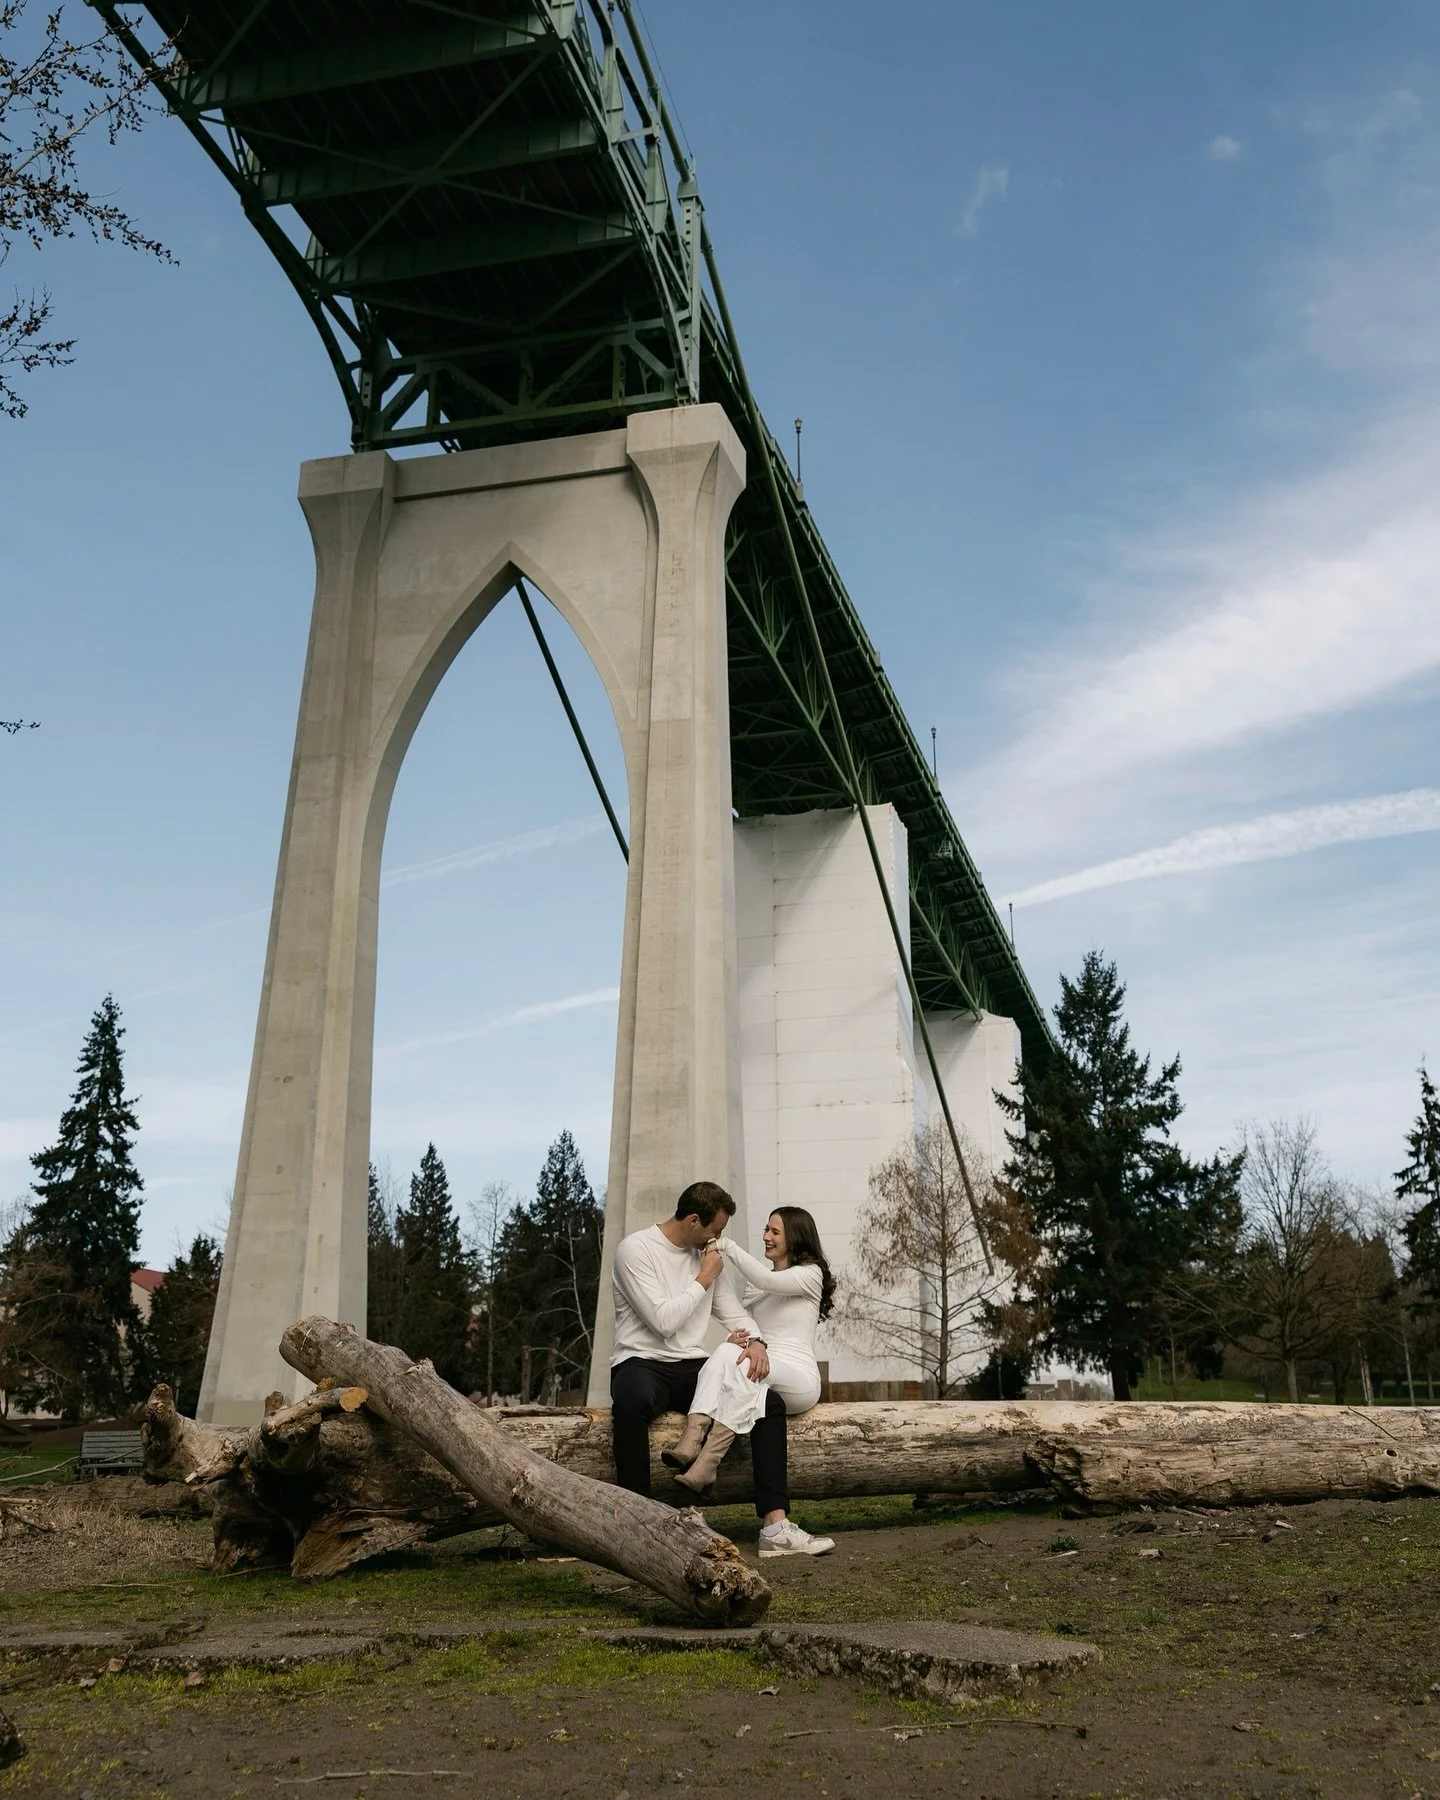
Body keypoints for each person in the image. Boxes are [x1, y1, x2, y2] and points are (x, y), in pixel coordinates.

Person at [610, 1181, 833, 1558]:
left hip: (690, 1365)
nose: (718, 1239)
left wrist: (757, 1342)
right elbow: (663, 1322)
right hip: (640, 1360)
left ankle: (775, 1524)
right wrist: (704, 1278)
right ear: (694, 1221)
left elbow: (735, 1314)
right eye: (715, 1230)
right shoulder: (635, 1250)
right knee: (630, 1405)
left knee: (770, 1403)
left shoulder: (708, 1257)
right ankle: (637, 1524)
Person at [663, 1208, 834, 1525]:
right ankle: (693, 1440)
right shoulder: (754, 1289)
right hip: (761, 1370)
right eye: (765, 1229)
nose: (766, 1237)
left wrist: (724, 1245)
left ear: (795, 1238)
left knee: (742, 1365)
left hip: (799, 1379)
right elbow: (745, 1323)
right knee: (727, 1351)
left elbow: (766, 1277)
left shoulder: (810, 1274)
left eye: (775, 1232)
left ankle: (709, 1459)